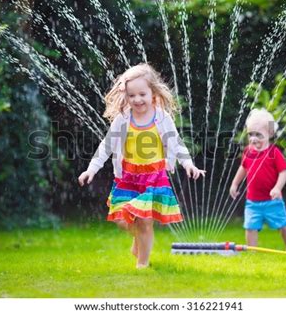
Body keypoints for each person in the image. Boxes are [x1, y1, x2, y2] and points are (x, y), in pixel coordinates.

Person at [78, 63, 205, 268]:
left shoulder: (161, 117)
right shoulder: (123, 119)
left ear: (153, 93)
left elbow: (176, 142)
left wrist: (188, 164)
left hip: (153, 177)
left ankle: (142, 264)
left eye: (142, 94)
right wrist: (91, 169)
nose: (137, 99)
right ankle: (138, 240)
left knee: (145, 220)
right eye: (132, 95)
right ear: (126, 96)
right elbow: (107, 145)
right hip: (127, 177)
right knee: (122, 220)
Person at [229, 108, 286, 251]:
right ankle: (253, 252)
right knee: (250, 227)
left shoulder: (274, 153)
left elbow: (283, 172)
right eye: (250, 134)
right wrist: (234, 184)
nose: (253, 138)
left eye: (258, 135)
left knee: (283, 225)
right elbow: (243, 168)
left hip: (273, 201)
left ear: (270, 134)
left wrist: (277, 188)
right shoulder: (248, 151)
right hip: (252, 201)